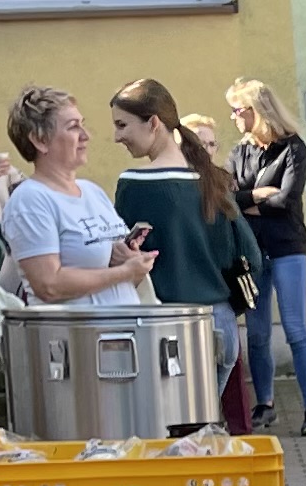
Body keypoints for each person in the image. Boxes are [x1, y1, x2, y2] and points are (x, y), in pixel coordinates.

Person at [107, 76, 261, 427]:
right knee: (201, 433)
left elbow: (121, 254)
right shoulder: (213, 179)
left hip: (165, 327)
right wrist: (226, 304)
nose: (117, 136)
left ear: (154, 123)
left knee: (168, 439)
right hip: (219, 324)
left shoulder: (134, 184)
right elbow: (250, 258)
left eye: (122, 125)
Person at [0, 82, 155, 309]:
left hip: (121, 334)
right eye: (73, 127)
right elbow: (48, 285)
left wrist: (132, 260)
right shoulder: (30, 200)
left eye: (83, 125)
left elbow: (122, 274)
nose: (85, 135)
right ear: (40, 140)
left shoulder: (92, 192)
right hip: (76, 339)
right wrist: (123, 272)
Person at [225, 77, 306, 434]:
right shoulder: (239, 152)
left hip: (287, 248)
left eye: (238, 110)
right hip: (252, 253)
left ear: (257, 111)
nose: (234, 117)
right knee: (257, 334)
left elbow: (287, 200)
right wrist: (257, 196)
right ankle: (264, 404)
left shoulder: (294, 149)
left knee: (296, 330)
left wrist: (249, 199)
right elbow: (229, 201)